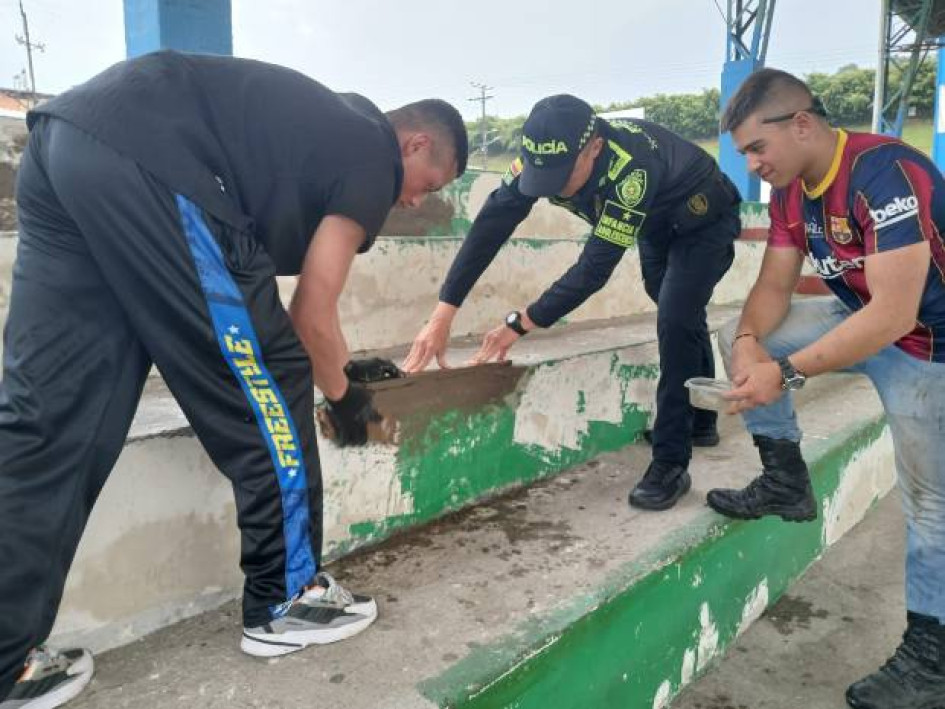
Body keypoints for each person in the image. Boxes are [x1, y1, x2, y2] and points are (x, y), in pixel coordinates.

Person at [0, 50, 466, 708]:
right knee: (275, 380)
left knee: (51, 417)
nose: (415, 197)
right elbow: (311, 314)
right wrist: (346, 397)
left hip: (63, 141)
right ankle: (287, 597)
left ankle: (7, 659)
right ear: (413, 142)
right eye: (427, 179)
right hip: (155, 157)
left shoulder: (320, 128)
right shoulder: (371, 153)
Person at [709, 67, 945, 709]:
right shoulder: (791, 191)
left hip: (930, 346)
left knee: (931, 506)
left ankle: (931, 662)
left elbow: (895, 315)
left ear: (804, 124)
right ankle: (785, 480)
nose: (753, 164)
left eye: (759, 148)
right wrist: (750, 346)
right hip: (862, 315)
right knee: (742, 330)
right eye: (745, 154)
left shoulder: (886, 173)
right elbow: (773, 290)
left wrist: (782, 372)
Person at [403, 94, 741, 511]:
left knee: (675, 313)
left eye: (563, 175)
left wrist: (520, 323)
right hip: (654, 226)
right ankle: (701, 420)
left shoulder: (631, 167)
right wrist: (443, 314)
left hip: (704, 218)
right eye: (542, 177)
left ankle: (671, 462)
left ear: (594, 147)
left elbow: (593, 271)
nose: (553, 187)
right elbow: (492, 224)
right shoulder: (537, 158)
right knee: (678, 311)